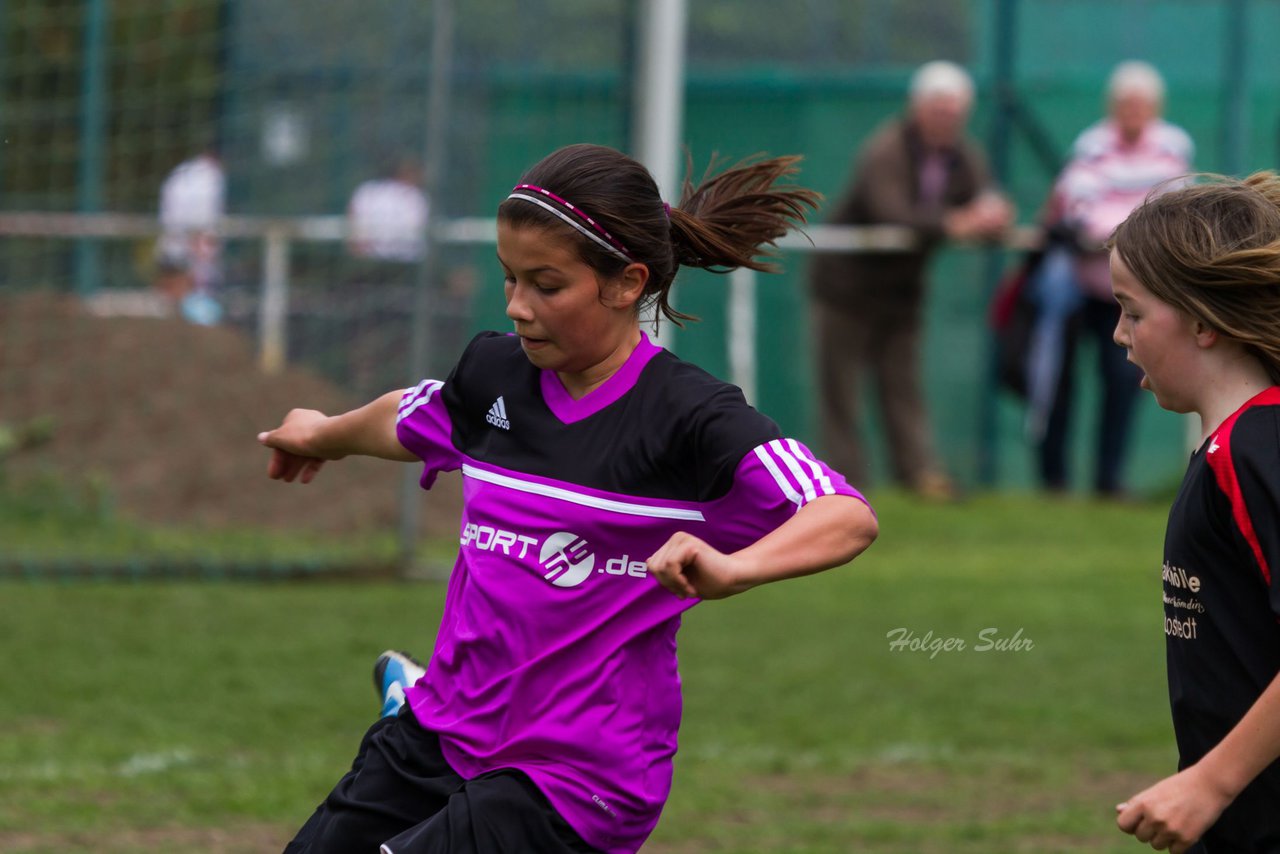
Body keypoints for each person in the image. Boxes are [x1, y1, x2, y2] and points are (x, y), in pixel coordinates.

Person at [259, 143, 879, 854]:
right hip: (445, 731)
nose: (518, 307)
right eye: (509, 279)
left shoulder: (690, 418)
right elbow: (412, 415)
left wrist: (734, 570)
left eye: (546, 285)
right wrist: (322, 434)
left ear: (624, 285)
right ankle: (414, 699)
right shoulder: (494, 374)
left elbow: (845, 516)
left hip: (574, 779)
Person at [1109, 172, 1280, 853]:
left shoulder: (1257, 447)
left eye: (1133, 311)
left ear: (1204, 322)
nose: (1120, 334)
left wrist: (1211, 782)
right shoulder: (1232, 444)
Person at [808, 60, 1012, 501]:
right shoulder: (885, 149)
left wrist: (994, 212)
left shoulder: (963, 154)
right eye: (939, 109)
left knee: (903, 387)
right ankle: (845, 483)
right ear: (917, 108)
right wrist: (955, 223)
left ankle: (918, 474)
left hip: (902, 293)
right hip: (846, 287)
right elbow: (891, 212)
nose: (947, 119)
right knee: (840, 391)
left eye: (955, 112)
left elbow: (986, 195)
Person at [1027, 61, 1193, 496]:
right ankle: (1053, 481)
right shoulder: (1091, 145)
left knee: (1126, 382)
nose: (1132, 111)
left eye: (1141, 104)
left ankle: (1108, 480)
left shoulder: (1172, 147)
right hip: (1078, 289)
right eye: (1125, 104)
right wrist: (1129, 228)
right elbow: (1079, 206)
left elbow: (1171, 209)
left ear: (1155, 107)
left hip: (1135, 295)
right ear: (1113, 106)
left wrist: (1114, 230)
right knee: (1058, 382)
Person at [154, 145, 225, 325]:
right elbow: (202, 223)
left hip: (170, 240)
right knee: (196, 296)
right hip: (192, 245)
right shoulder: (211, 177)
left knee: (173, 291)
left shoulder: (180, 172)